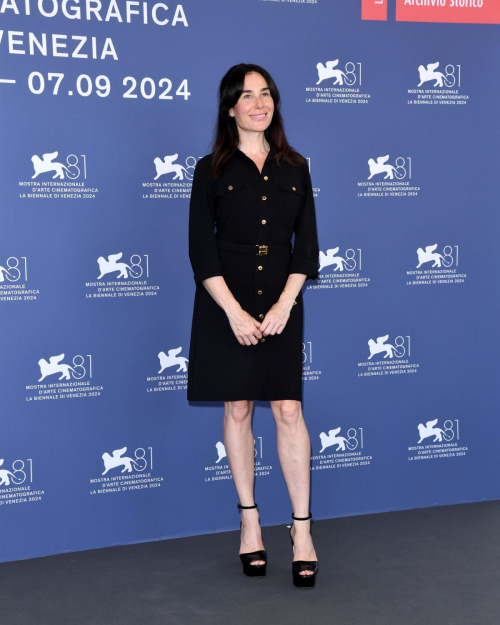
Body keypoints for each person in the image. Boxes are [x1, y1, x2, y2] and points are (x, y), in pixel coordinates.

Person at [187, 63, 320, 588]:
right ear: (230, 108)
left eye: (266, 94)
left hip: (282, 295)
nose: (259, 103)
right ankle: (249, 525)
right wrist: (234, 313)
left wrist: (286, 303)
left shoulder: (297, 167)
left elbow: (306, 247)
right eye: (248, 95)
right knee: (238, 406)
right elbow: (201, 251)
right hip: (227, 299)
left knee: (289, 409)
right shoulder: (209, 169)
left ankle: (302, 531)